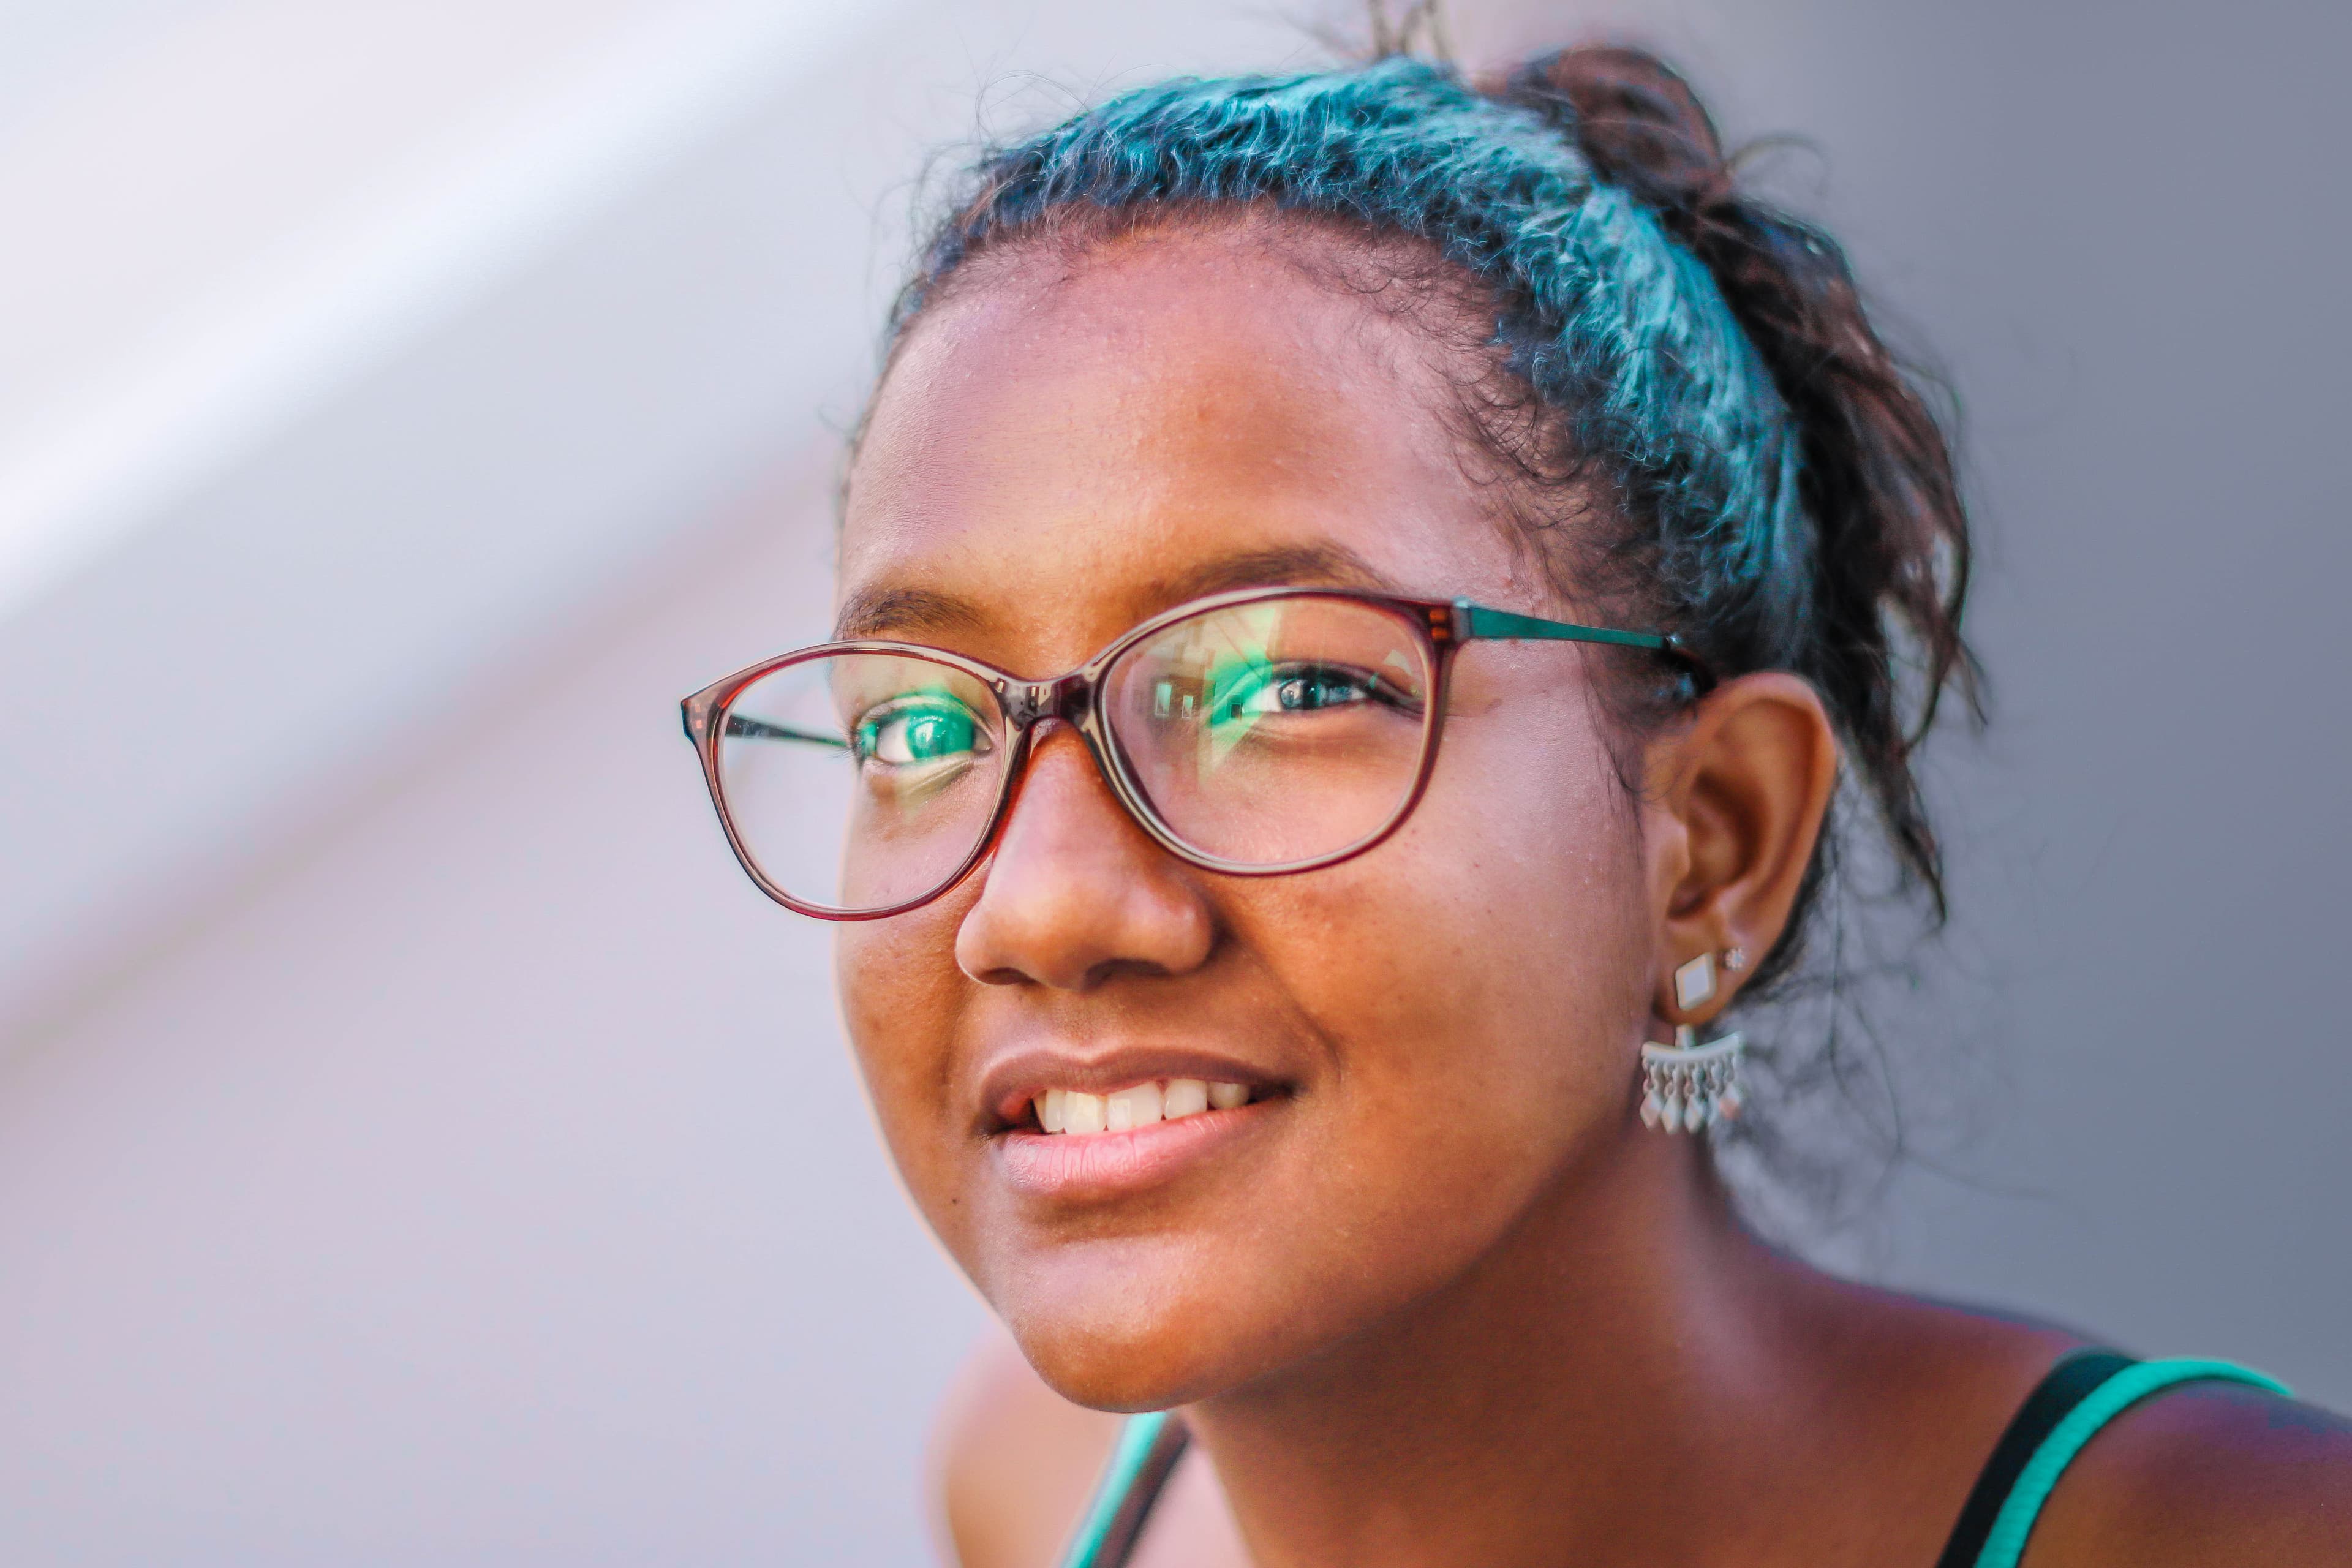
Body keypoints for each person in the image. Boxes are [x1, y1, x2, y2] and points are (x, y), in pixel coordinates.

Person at [678, 37, 2352, 1568]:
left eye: (1290, 691)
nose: (1036, 905)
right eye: (917, 729)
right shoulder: (1042, 1488)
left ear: (1712, 850)